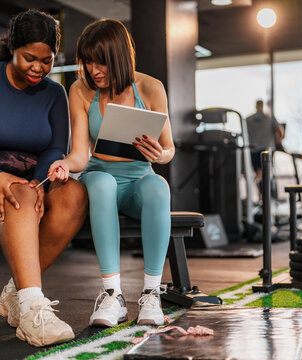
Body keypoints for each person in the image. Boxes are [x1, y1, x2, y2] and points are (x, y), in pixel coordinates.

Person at [0, 9, 88, 347]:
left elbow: (56, 147)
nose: (38, 68)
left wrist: (40, 183)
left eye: (47, 60)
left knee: (75, 195)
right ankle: (33, 311)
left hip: (33, 181)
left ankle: (17, 293)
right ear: (13, 49)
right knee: (17, 193)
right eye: (29, 58)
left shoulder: (54, 94)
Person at [46, 19, 174, 327]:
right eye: (88, 62)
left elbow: (169, 149)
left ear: (119, 57)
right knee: (101, 182)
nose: (93, 70)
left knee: (159, 187)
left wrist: (161, 154)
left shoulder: (151, 87)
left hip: (138, 179)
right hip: (99, 175)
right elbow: (80, 153)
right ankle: (112, 295)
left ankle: (151, 294)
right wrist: (65, 163)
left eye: (100, 62)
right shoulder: (80, 90)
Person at [245, 99, 284, 184]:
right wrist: (279, 141)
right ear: (262, 106)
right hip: (266, 149)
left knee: (258, 172)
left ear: (256, 106)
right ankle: (263, 191)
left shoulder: (248, 119)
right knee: (264, 172)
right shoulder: (269, 117)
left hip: (253, 149)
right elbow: (280, 131)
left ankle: (260, 190)